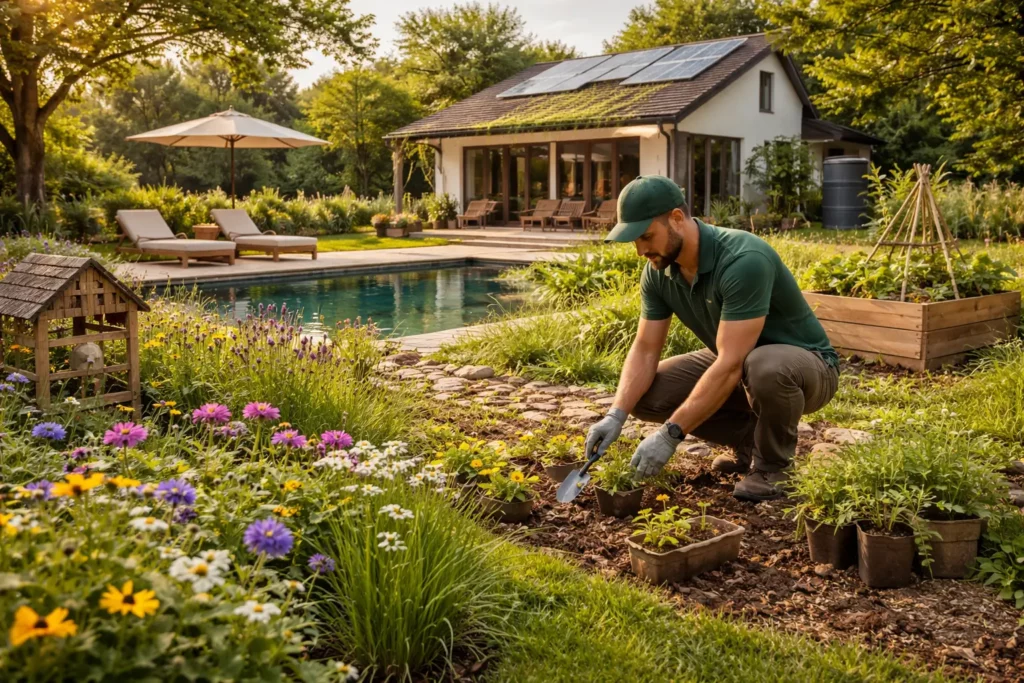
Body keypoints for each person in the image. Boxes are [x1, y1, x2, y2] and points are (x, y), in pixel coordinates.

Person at [584, 175, 839, 501]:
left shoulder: (742, 259)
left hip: (806, 367)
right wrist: (615, 415)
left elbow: (732, 363)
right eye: (634, 241)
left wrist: (670, 434)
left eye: (646, 236)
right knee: (645, 395)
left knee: (764, 365)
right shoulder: (659, 270)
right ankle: (750, 442)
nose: (640, 251)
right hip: (738, 361)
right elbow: (646, 348)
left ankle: (773, 469)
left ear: (676, 218)